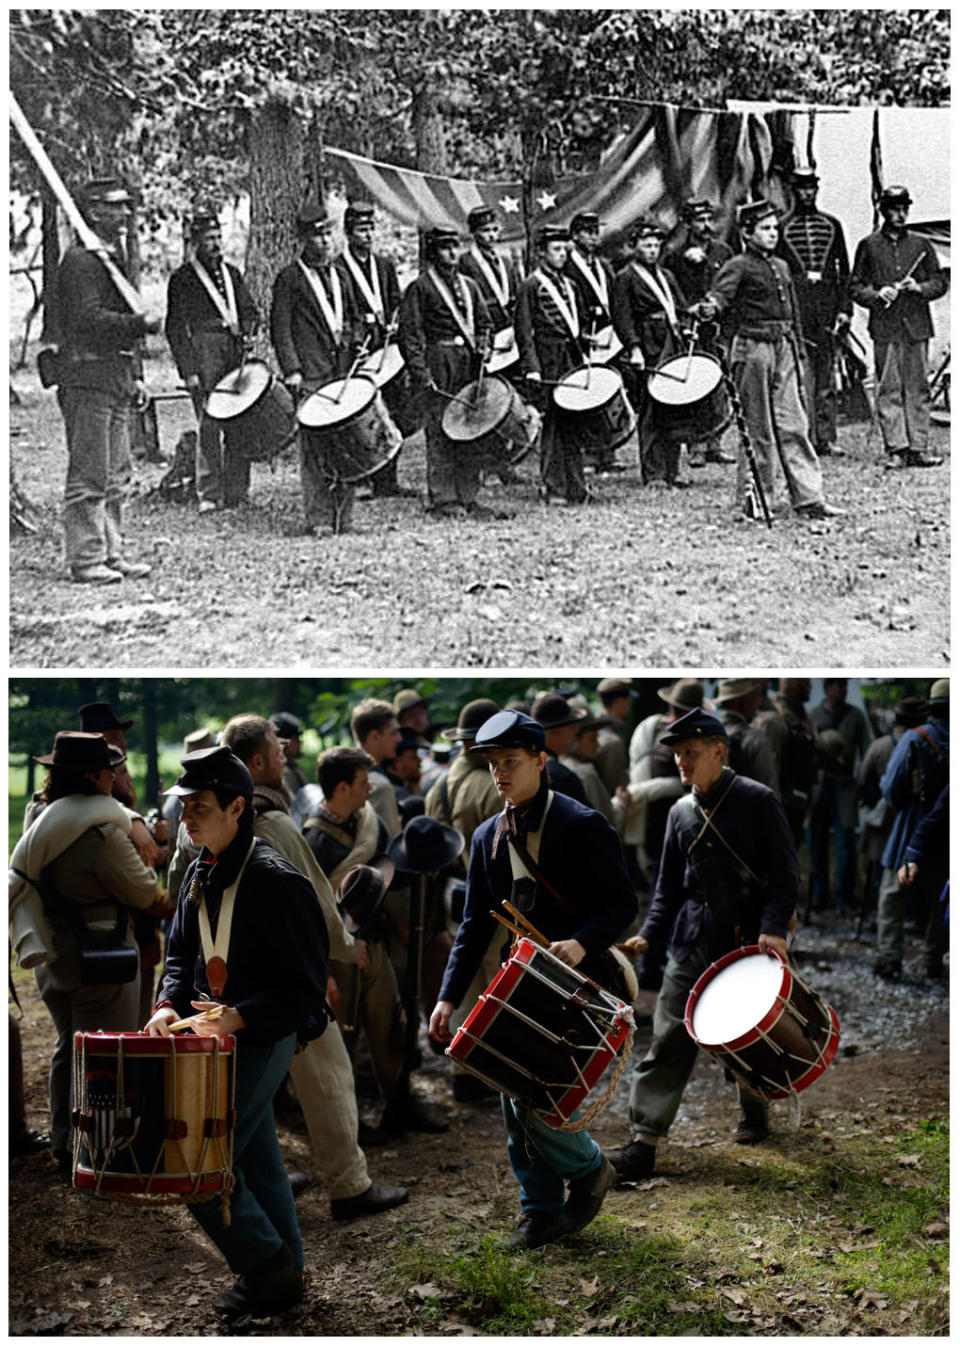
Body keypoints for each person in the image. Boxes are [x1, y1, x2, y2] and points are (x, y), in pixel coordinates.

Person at [429, 710, 638, 1250]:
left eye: (511, 762)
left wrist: (582, 940)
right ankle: (540, 1210)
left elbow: (621, 902)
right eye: (493, 764)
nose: (500, 773)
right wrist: (449, 996)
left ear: (541, 762)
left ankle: (591, 1170)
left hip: (575, 986)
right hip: (515, 986)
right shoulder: (485, 836)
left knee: (533, 1097)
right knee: (511, 1097)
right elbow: (475, 924)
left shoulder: (582, 824)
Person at [198, 715, 409, 1216]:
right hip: (286, 980)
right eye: (276, 749)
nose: (286, 756)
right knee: (329, 1076)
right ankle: (350, 1187)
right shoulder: (271, 819)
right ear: (255, 762)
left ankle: (252, 1179)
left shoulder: (205, 819)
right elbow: (312, 894)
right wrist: (342, 948)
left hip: (226, 977)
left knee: (246, 1086)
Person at [146, 746, 330, 1319]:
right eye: (183, 809)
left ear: (236, 807)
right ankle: (288, 1271)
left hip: (262, 1037)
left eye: (199, 807)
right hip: (212, 1039)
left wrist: (241, 1015)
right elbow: (180, 958)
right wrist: (165, 1005)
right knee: (254, 1156)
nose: (187, 819)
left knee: (196, 1160)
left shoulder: (276, 881)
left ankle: (265, 1267)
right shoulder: (201, 869)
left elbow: (305, 986)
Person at [611, 708, 798, 1181]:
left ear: (719, 750)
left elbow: (784, 874)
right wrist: (650, 932)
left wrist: (773, 926)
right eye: (676, 754)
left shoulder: (758, 800)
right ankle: (644, 1140)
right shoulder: (679, 812)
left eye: (690, 753)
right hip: (690, 940)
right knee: (670, 1037)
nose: (681, 763)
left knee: (748, 1032)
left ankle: (755, 1114)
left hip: (745, 939)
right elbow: (667, 888)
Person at [19, 732, 159, 1175]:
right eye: (106, 772)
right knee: (107, 1059)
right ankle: (100, 1151)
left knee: (68, 1047)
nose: (113, 779)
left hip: (54, 952)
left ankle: (65, 1141)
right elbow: (143, 893)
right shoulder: (100, 836)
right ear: (90, 777)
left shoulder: (41, 818)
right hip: (100, 957)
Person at [697, 199, 843, 521]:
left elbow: (792, 310)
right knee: (757, 427)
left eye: (775, 228)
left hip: (784, 347)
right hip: (752, 350)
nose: (773, 234)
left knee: (794, 423)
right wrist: (710, 307)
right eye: (765, 229)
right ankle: (756, 499)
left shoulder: (782, 266)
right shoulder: (737, 265)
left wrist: (799, 349)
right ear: (747, 233)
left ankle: (809, 498)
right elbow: (720, 296)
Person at [53, 176, 160, 583]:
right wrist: (139, 322)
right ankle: (85, 557)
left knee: (116, 474)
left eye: (127, 206)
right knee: (90, 472)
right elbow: (87, 319)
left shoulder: (106, 258)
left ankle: (112, 552)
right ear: (95, 212)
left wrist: (133, 375)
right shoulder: (81, 262)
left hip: (112, 375)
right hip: (87, 376)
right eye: (117, 207)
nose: (126, 214)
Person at [270, 201, 365, 536]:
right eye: (316, 236)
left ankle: (345, 515)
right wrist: (292, 369)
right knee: (314, 448)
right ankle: (319, 517)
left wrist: (356, 343)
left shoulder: (341, 274)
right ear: (303, 239)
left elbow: (355, 317)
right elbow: (280, 328)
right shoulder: (289, 278)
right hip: (310, 372)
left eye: (328, 233)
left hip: (342, 371)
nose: (324, 242)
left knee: (349, 443)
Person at [165, 207, 259, 513]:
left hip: (234, 349)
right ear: (195, 242)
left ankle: (237, 489)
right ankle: (209, 491)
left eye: (219, 237)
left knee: (240, 418)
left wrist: (248, 330)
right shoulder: (183, 279)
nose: (216, 245)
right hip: (204, 351)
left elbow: (249, 310)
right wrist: (189, 370)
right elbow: (175, 328)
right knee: (209, 421)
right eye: (209, 239)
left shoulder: (232, 273)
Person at [397, 226, 495, 519]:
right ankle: (443, 496)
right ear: (433, 252)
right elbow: (410, 335)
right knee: (440, 427)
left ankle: (468, 493)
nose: (452, 253)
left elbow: (486, 324)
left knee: (470, 426)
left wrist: (484, 347)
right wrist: (421, 374)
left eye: (455, 246)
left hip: (468, 363)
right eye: (444, 247)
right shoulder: (421, 287)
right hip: (439, 361)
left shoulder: (470, 285)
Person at [850, 184, 948, 469]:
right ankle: (897, 447)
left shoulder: (921, 245)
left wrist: (918, 287)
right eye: (895, 209)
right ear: (884, 210)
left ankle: (919, 447)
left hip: (917, 326)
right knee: (889, 387)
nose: (902, 214)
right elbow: (855, 286)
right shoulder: (868, 246)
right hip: (885, 327)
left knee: (918, 387)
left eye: (905, 208)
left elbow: (940, 283)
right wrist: (877, 294)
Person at [336, 199, 417, 493]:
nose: (367, 235)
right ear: (348, 233)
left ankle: (387, 480)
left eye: (371, 229)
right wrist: (355, 341)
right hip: (356, 348)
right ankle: (359, 477)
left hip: (385, 346)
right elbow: (341, 311)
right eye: (361, 230)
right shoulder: (338, 268)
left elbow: (396, 302)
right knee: (359, 413)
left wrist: (397, 323)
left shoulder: (383, 265)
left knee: (391, 409)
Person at [874, 679, 949, 980]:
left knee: (893, 894)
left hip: (912, 825)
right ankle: (933, 961)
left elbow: (890, 787)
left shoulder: (916, 737)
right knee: (940, 900)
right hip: (948, 831)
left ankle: (890, 959)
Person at [776, 167, 852, 457]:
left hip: (827, 307)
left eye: (811, 188)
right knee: (800, 377)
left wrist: (845, 310)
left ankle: (826, 436)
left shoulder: (832, 225)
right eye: (802, 188)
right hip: (798, 308)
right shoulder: (781, 227)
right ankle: (803, 435)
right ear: (793, 191)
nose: (807, 193)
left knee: (826, 377)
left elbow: (843, 272)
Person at [612, 215, 691, 486]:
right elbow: (622, 317)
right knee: (651, 409)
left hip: (672, 343)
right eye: (646, 246)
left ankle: (672, 470)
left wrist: (689, 325)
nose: (652, 251)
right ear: (635, 247)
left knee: (674, 406)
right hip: (648, 345)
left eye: (656, 246)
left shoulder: (667, 276)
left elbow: (680, 308)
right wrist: (634, 348)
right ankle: (654, 472)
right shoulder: (625, 278)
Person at [515, 225, 591, 505]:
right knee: (554, 426)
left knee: (573, 422)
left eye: (565, 250)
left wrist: (585, 341)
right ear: (541, 253)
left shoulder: (570, 285)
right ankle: (554, 487)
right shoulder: (531, 285)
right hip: (547, 360)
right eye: (556, 250)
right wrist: (532, 367)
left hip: (570, 358)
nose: (562, 255)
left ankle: (576, 485)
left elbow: (577, 323)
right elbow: (524, 333)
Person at [808, 678, 872, 912]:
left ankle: (845, 897)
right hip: (819, 786)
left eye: (845, 685)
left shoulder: (855, 716)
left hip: (845, 786)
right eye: (838, 685)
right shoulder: (813, 715)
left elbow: (867, 750)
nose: (843, 690)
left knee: (845, 843)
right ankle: (819, 896)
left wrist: (863, 782)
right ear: (827, 688)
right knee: (817, 843)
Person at [712, 678, 780, 793]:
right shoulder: (756, 739)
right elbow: (769, 791)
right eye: (752, 698)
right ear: (744, 702)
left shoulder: (707, 737)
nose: (756, 705)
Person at [529, 693, 589, 804]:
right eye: (571, 727)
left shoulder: (525, 768)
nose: (576, 731)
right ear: (556, 731)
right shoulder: (563, 778)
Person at [269, 711, 308, 802]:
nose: (300, 742)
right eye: (297, 738)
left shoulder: (292, 766)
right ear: (285, 742)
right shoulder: (284, 772)